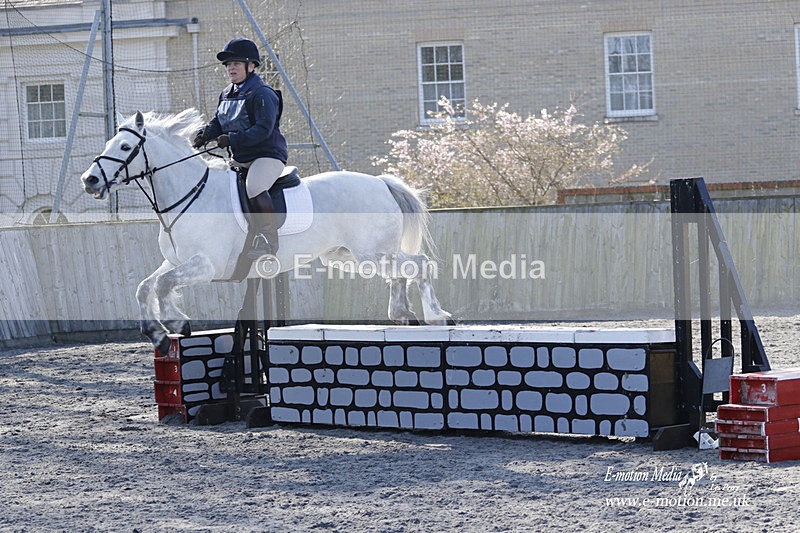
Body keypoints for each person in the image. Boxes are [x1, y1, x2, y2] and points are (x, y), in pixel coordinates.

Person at [192, 37, 287, 258]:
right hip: (241, 157)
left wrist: (232, 139)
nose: (230, 68)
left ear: (250, 66)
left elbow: (263, 129)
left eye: (235, 63)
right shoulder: (227, 93)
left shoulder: (262, 93)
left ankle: (269, 240)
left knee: (253, 187)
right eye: (228, 64)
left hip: (267, 155)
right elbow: (218, 121)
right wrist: (206, 134)